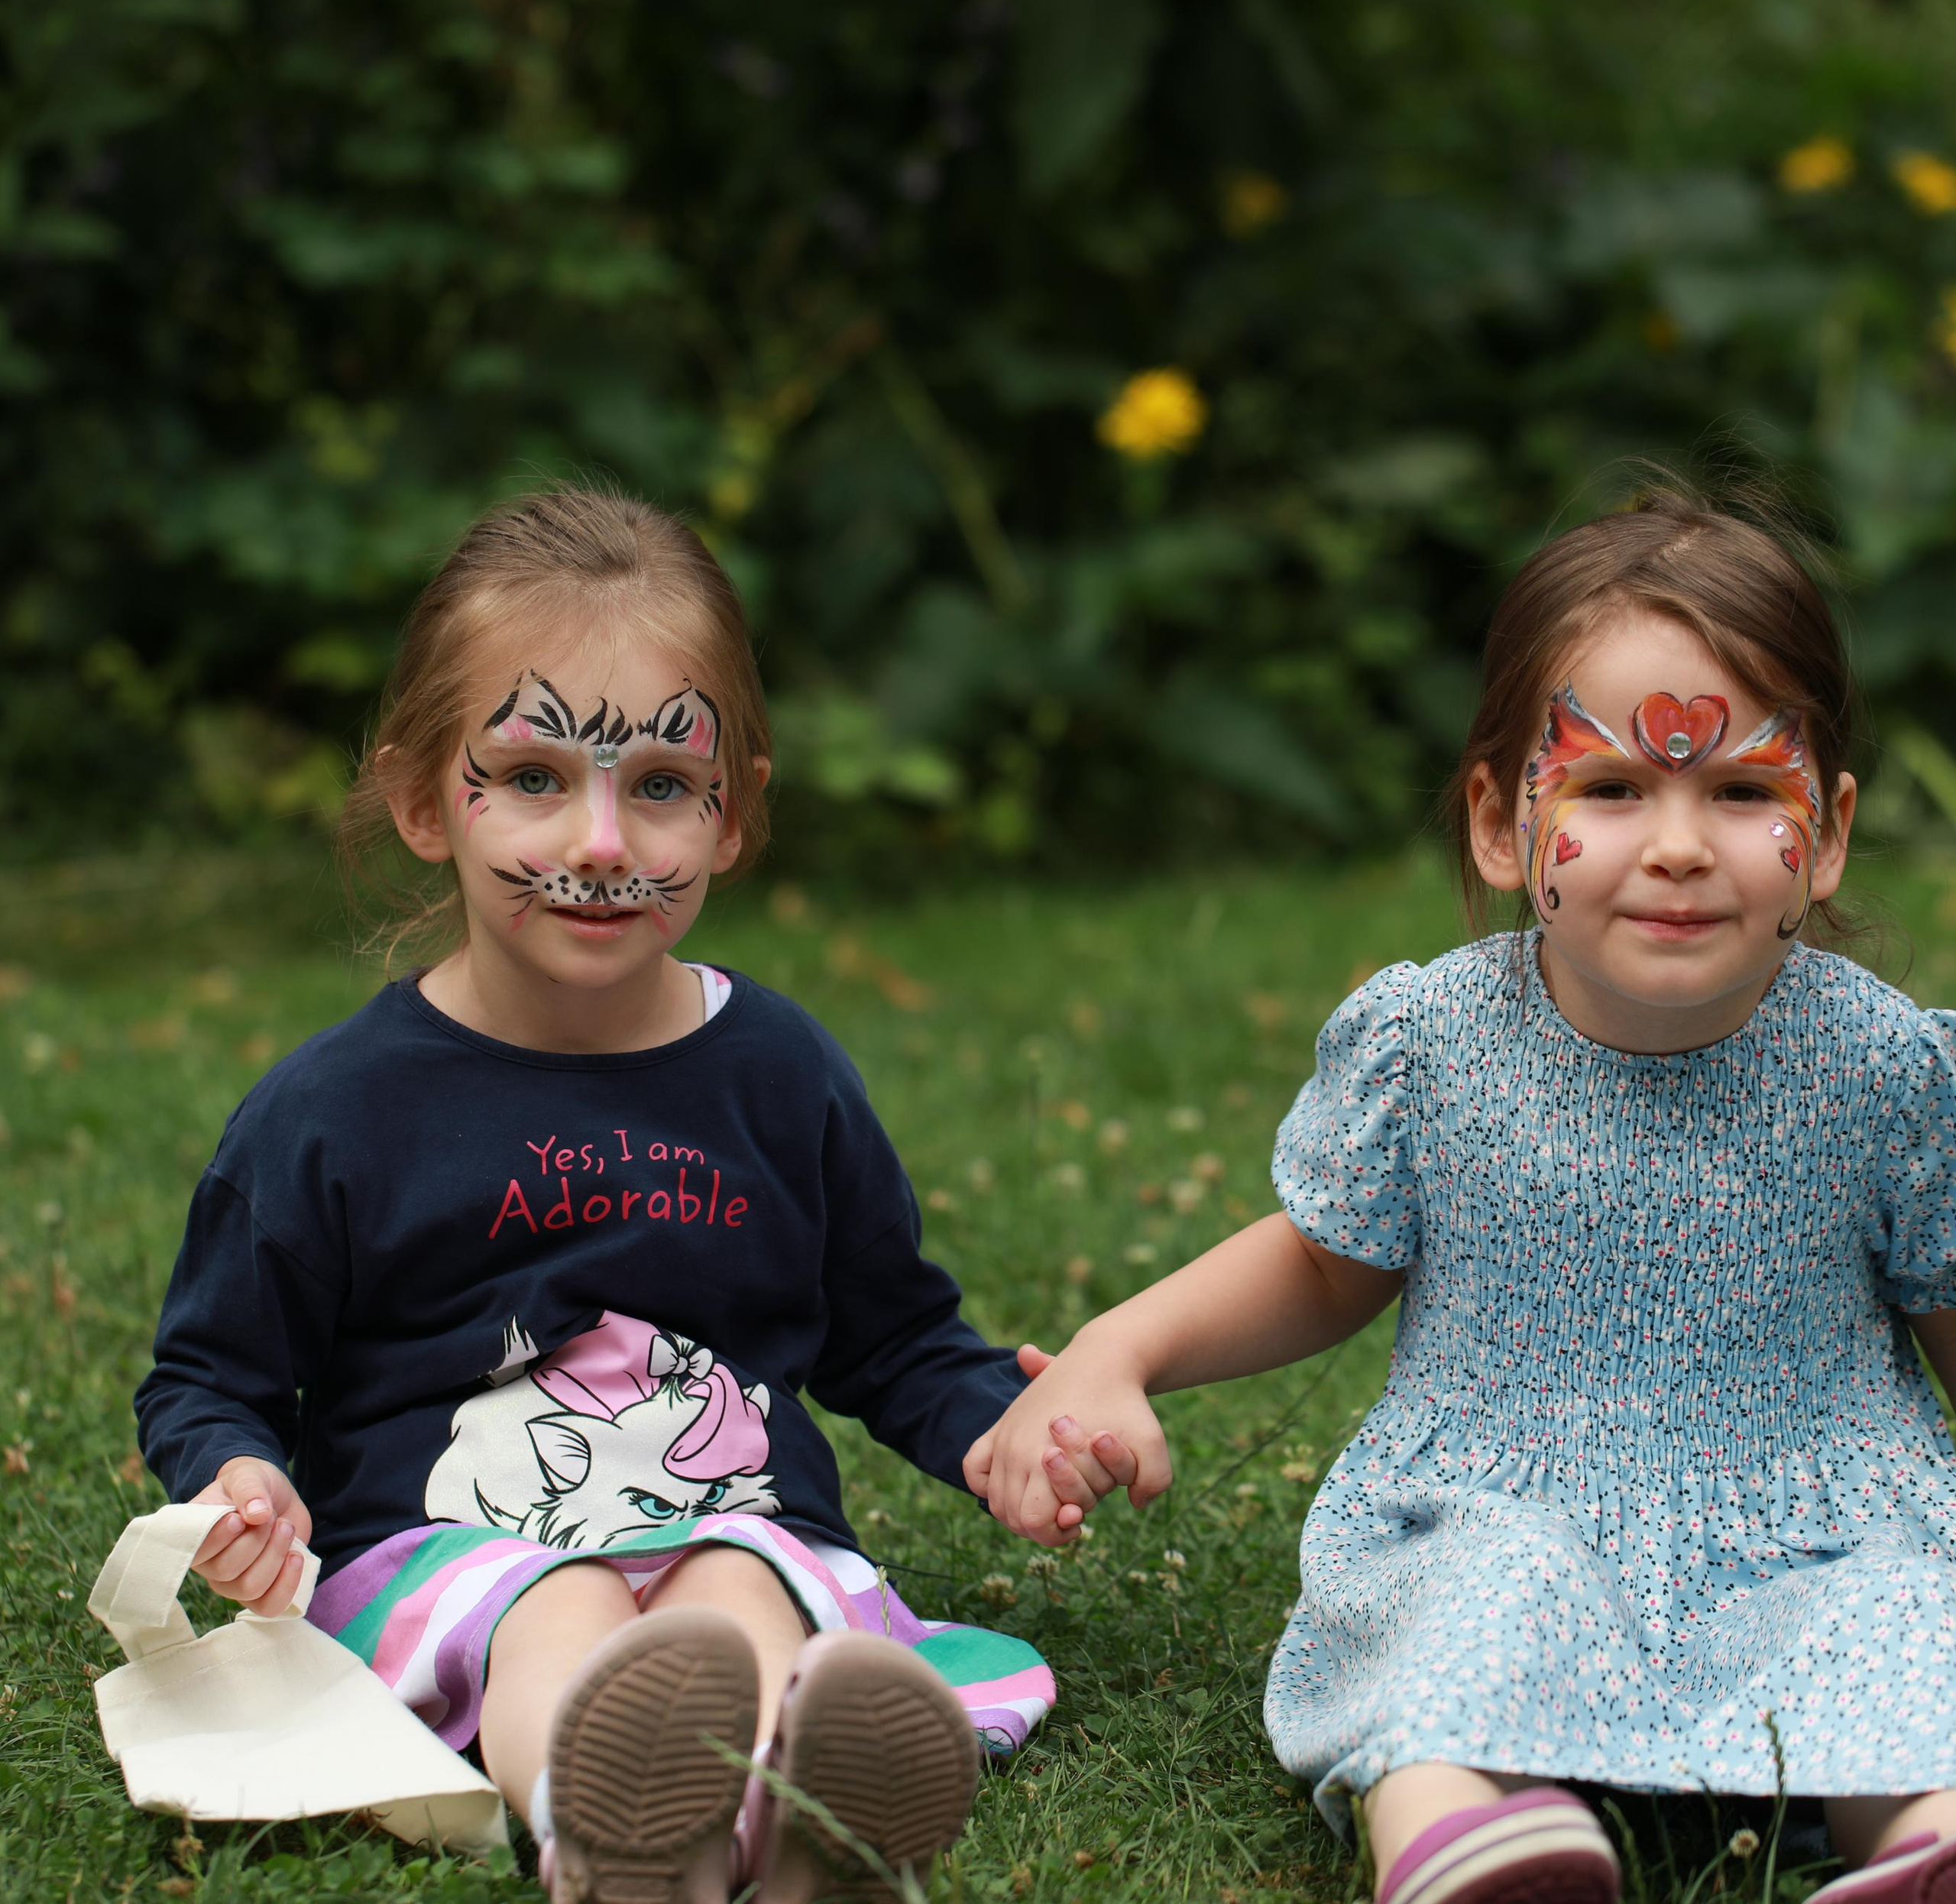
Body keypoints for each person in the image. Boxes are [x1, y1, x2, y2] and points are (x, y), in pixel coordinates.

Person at [967, 485, 1956, 1904]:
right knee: (1461, 1616)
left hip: (1817, 1512)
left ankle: (1918, 1840)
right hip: (1506, 1496)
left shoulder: (1885, 1068)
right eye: (1611, 789)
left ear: (1833, 829)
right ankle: (1464, 1841)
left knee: (1901, 1623)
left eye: (1743, 791)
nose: (1678, 843)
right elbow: (1321, 1266)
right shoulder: (1434, 1048)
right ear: (1503, 822)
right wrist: (1122, 1352)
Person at [134, 484, 1054, 1904]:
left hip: (728, 1515)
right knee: (553, 1604)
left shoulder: (780, 1072)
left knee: (742, 1589)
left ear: (733, 815)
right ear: (421, 800)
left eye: (664, 787)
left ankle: (799, 1834)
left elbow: (890, 1335)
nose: (603, 842)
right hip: (451, 1554)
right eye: (536, 777)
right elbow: (209, 1375)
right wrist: (238, 1479)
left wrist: (1005, 1427)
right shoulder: (335, 1114)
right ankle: (610, 1829)